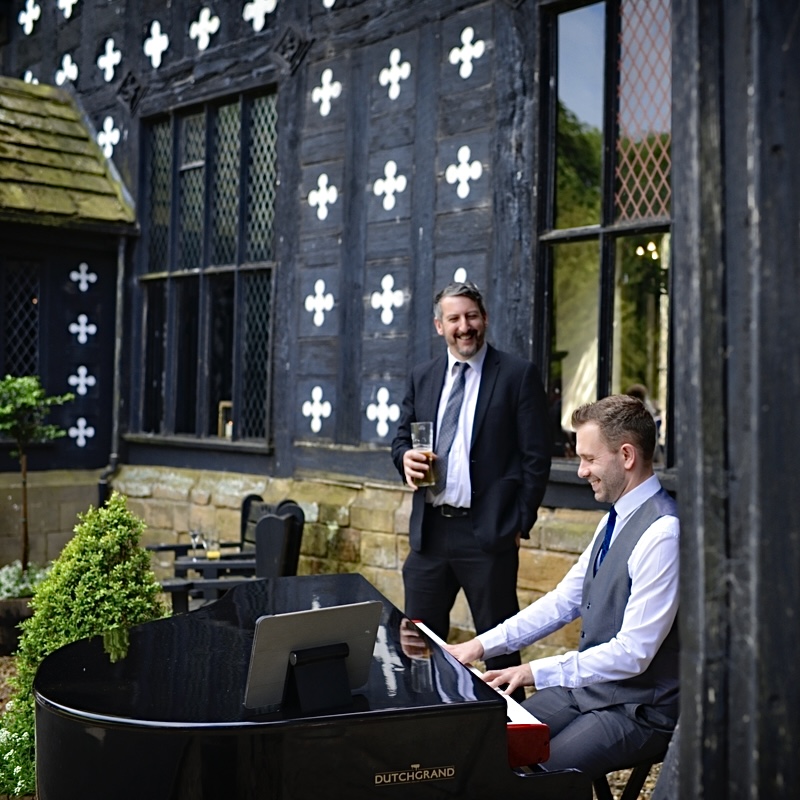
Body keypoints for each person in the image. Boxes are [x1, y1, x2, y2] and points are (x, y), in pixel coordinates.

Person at [446, 394, 679, 779]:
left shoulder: (663, 534)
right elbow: (562, 601)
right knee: (490, 744)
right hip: (591, 693)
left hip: (641, 709)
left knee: (540, 776)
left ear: (626, 456)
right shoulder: (614, 520)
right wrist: (479, 645)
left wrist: (534, 671)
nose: (581, 471)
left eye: (589, 459)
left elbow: (634, 654)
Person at [391, 280, 551, 683]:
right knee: (418, 644)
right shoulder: (422, 376)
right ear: (438, 326)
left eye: (472, 316)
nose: (465, 326)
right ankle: (428, 728)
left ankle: (510, 738)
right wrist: (404, 458)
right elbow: (400, 438)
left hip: (489, 536)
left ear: (485, 319)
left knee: (499, 650)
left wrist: (519, 522)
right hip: (430, 533)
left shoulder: (517, 375)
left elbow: (537, 457)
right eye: (454, 318)